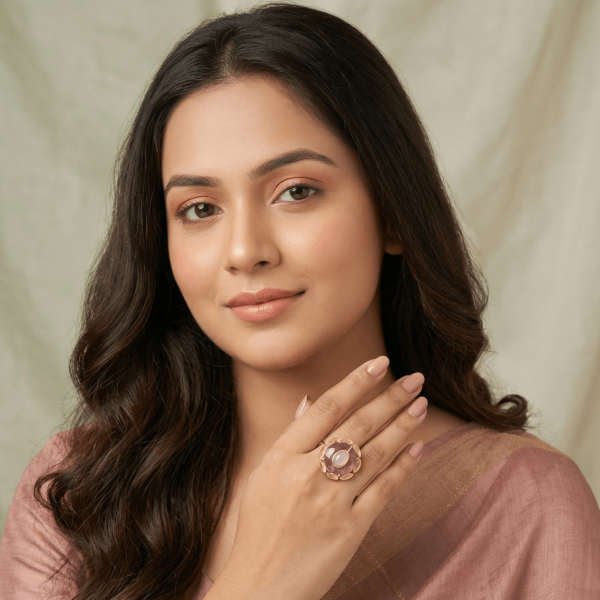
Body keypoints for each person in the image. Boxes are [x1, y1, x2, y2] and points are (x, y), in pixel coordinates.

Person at [1, 3, 599, 599]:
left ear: (391, 212)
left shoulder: (527, 505)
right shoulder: (79, 496)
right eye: (200, 209)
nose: (245, 250)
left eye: (296, 191)